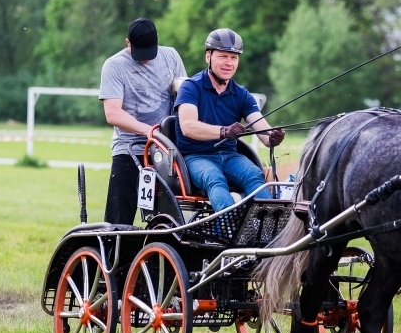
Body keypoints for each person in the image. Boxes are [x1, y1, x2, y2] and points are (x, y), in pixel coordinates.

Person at [174, 28, 285, 211]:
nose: (229, 63)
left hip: (230, 156)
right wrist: (224, 131)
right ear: (208, 56)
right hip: (196, 157)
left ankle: (264, 231)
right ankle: (227, 228)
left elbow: (263, 130)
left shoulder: (242, 94)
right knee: (214, 178)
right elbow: (188, 126)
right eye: (223, 56)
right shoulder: (190, 87)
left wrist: (273, 136)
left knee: (254, 175)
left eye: (234, 58)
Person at [100, 18, 187, 224]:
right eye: (141, 53)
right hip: (129, 148)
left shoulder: (171, 56)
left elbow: (184, 97)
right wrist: (150, 131)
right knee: (119, 219)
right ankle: (114, 253)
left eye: (150, 53)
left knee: (170, 217)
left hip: (165, 151)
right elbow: (113, 113)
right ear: (127, 43)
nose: (147, 60)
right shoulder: (114, 66)